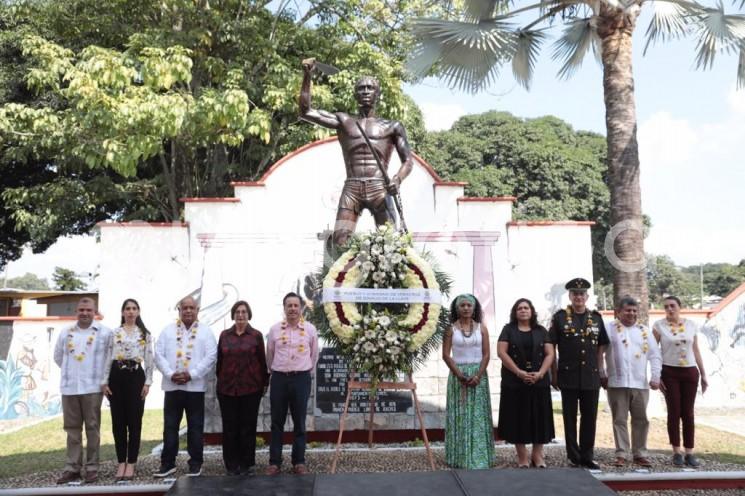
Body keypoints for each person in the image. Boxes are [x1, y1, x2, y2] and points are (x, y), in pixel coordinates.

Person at [299, 59, 413, 246]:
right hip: (352, 189)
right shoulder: (344, 121)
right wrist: (307, 76)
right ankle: (339, 275)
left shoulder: (392, 126)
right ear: (355, 94)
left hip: (380, 189)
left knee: (391, 244)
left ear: (378, 94)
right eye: (361, 88)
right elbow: (306, 112)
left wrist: (397, 180)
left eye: (370, 88)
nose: (366, 91)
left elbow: (407, 161)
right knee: (340, 242)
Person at [153, 296, 217, 478]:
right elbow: (158, 355)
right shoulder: (167, 331)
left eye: (192, 307)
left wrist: (192, 374)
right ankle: (168, 464)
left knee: (195, 427)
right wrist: (171, 374)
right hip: (172, 387)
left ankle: (195, 463)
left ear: (197, 310)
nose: (188, 311)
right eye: (184, 308)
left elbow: (211, 356)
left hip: (195, 388)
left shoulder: (206, 332)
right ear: (179, 311)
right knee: (170, 426)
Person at [549, 277, 609, 469]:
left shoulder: (597, 318)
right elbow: (551, 346)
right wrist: (554, 373)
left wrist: (601, 371)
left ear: (587, 296)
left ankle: (587, 456)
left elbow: (601, 346)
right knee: (569, 417)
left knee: (590, 417)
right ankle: (573, 457)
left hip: (591, 376)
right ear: (570, 296)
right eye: (575, 293)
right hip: (568, 375)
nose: (578, 297)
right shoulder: (559, 318)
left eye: (582, 294)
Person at [53, 297, 112, 484]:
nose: (85, 313)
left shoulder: (105, 333)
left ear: (95, 312)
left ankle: (92, 467)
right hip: (70, 388)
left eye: (88, 310)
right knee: (72, 429)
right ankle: (72, 468)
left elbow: (110, 359)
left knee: (92, 428)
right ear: (76, 311)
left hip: (93, 387)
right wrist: (72, 374)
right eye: (81, 310)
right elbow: (58, 357)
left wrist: (102, 380)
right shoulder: (65, 332)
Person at [600, 296, 661, 468]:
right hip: (616, 383)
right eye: (628, 310)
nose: (631, 313)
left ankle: (640, 453)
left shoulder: (644, 331)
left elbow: (655, 355)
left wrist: (656, 377)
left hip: (640, 383)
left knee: (641, 420)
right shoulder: (608, 328)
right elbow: (600, 352)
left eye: (634, 311)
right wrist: (601, 373)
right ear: (618, 311)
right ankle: (622, 454)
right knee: (619, 419)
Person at [265, 292, 319, 475]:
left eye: (296, 305)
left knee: (299, 422)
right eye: (289, 305)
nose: (293, 309)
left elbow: (314, 355)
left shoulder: (310, 329)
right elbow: (269, 355)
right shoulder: (274, 330)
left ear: (301, 308)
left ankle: (299, 461)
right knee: (276, 422)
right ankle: (274, 462)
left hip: (301, 378)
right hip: (279, 378)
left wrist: (303, 371)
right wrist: (276, 372)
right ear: (284, 308)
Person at [497, 298, 555, 468]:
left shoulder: (541, 330)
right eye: (519, 308)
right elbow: (502, 352)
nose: (523, 310)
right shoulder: (508, 330)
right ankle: (522, 457)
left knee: (540, 418)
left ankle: (537, 456)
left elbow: (550, 353)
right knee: (517, 417)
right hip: (514, 381)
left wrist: (541, 373)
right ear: (515, 312)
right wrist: (519, 372)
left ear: (532, 311)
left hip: (539, 380)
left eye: (526, 308)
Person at [101, 298, 154, 481]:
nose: (131, 312)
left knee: (134, 421)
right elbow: (108, 356)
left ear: (138, 312)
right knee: (118, 423)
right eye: (127, 309)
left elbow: (149, 359)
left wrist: (148, 383)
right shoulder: (114, 333)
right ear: (123, 312)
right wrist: (104, 381)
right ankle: (121, 463)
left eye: (134, 308)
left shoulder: (144, 334)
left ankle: (131, 462)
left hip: (136, 378)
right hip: (116, 378)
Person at [652, 295, 708, 467]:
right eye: (666, 306)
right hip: (669, 372)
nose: (669, 309)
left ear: (679, 307)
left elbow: (696, 350)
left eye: (672, 305)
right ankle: (676, 451)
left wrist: (703, 374)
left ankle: (689, 452)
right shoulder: (658, 326)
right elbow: (654, 352)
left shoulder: (691, 325)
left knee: (688, 413)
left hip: (690, 372)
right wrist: (657, 375)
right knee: (674, 411)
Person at [216, 300, 269, 476]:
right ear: (233, 314)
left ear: (249, 314)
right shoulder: (224, 335)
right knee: (230, 427)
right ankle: (231, 464)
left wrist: (264, 384)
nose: (240, 315)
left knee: (248, 427)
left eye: (244, 312)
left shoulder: (256, 336)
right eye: (237, 312)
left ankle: (247, 464)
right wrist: (223, 380)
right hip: (227, 389)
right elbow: (219, 362)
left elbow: (262, 361)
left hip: (251, 389)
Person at [442, 294, 495, 469]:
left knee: (478, 416)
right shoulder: (450, 329)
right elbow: (446, 355)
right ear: (457, 308)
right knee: (461, 415)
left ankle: (480, 457)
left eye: (469, 305)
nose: (466, 308)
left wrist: (478, 375)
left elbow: (486, 354)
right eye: (462, 305)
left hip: (478, 375)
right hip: (458, 376)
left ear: (474, 308)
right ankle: (459, 457)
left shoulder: (482, 328)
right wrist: (459, 374)